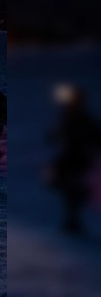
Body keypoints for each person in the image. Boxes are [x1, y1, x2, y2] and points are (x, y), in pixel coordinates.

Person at [46, 84, 100, 232]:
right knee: (62, 185)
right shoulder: (67, 118)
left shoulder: (86, 120)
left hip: (80, 157)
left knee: (74, 186)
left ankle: (74, 217)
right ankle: (72, 216)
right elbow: (57, 134)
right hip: (68, 156)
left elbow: (96, 138)